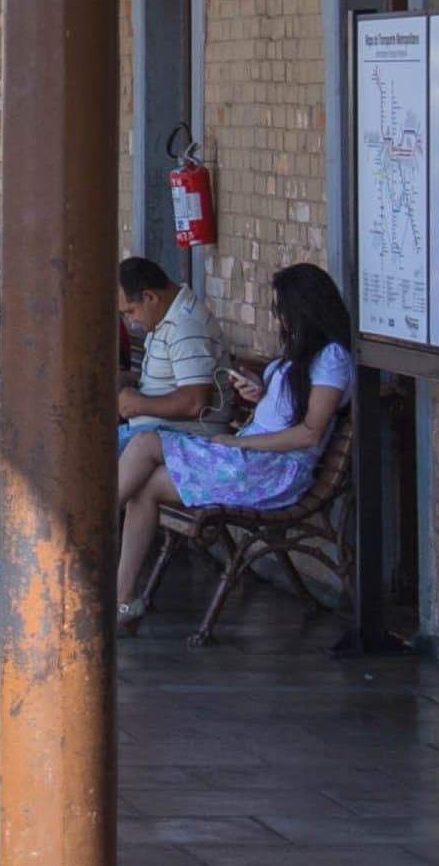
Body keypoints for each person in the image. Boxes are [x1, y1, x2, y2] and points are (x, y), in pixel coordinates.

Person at [113, 262, 354, 628]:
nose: (279, 318)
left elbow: (310, 433)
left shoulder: (332, 359)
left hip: (271, 471)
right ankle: (123, 600)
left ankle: (78, 539)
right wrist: (259, 392)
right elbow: (287, 412)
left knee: (146, 444)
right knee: (144, 487)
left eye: (281, 309)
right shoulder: (300, 358)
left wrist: (242, 443)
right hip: (250, 460)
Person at [116, 255, 221, 440]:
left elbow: (195, 402)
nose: (131, 322)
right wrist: (129, 380)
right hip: (155, 433)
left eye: (130, 311)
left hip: (183, 439)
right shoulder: (165, 319)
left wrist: (137, 404)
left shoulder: (186, 326)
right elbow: (171, 381)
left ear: (150, 297)